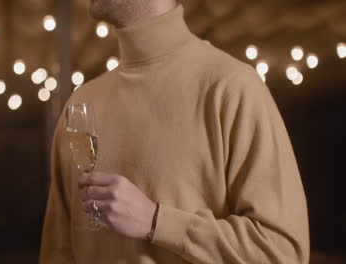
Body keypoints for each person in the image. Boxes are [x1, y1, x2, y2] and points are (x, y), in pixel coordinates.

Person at [40, 0, 310, 263]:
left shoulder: (233, 88)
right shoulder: (80, 106)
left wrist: (157, 221)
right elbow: (57, 253)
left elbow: (282, 253)